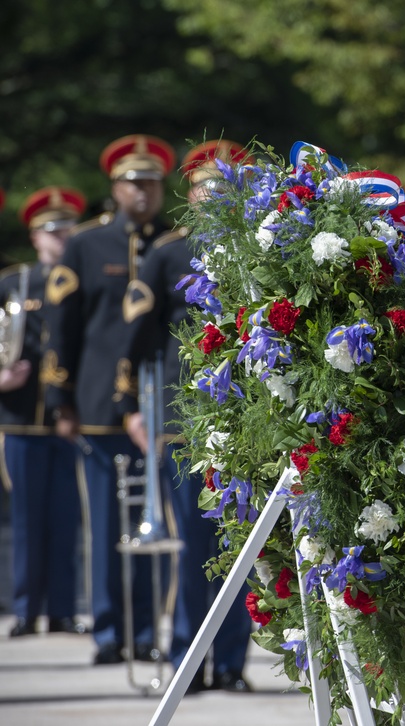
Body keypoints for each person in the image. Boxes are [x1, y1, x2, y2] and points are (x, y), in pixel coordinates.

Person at [119, 140, 254, 691]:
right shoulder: (169, 254)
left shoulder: (260, 249)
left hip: (249, 421)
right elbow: (136, 342)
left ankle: (229, 665)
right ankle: (187, 662)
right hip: (184, 422)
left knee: (240, 548)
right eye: (205, 187)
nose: (214, 196)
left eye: (226, 185)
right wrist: (131, 409)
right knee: (194, 550)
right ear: (191, 194)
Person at [43, 134, 175, 664]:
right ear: (115, 188)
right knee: (105, 524)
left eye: (151, 183)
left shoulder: (174, 242)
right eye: (132, 182)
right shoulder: (85, 245)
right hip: (98, 405)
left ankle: (145, 633)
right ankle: (107, 631)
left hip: (162, 408)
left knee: (154, 525)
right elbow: (61, 326)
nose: (142, 192)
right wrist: (60, 399)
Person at [2, 186, 87, 637]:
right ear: (35, 237)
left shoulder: (81, 279)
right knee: (27, 519)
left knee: (66, 519)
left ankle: (62, 609)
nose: (60, 238)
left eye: (66, 230)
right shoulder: (14, 284)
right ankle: (24, 610)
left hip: (70, 417)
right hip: (20, 419)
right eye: (51, 232)